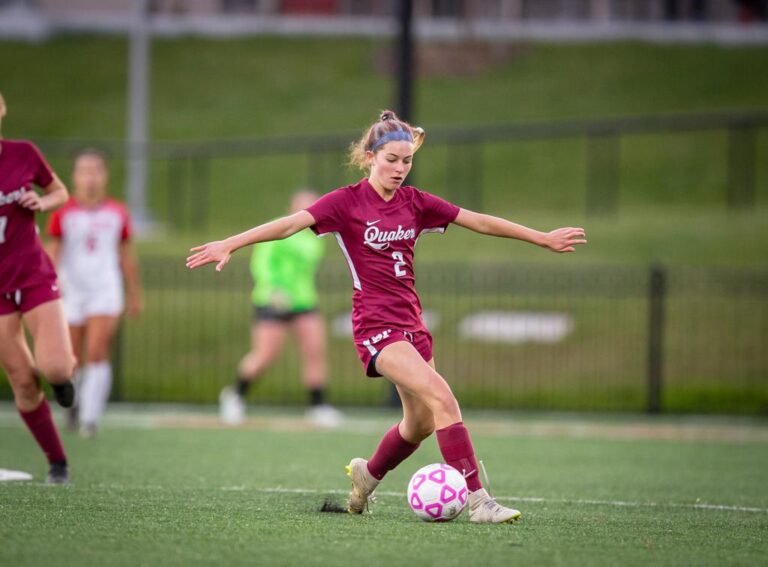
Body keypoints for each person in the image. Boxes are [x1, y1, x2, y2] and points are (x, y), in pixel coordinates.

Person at [187, 110, 587, 524]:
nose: (400, 169)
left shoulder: (416, 203)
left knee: (420, 424)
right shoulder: (345, 202)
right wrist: (230, 243)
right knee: (444, 397)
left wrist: (539, 237)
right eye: (392, 159)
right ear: (370, 156)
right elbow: (289, 224)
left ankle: (367, 474)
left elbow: (479, 221)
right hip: (377, 327)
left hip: (413, 325)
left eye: (407, 160)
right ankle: (479, 501)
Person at [0, 92, 76, 484]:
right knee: (24, 381)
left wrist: (43, 203)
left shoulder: (22, 153)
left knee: (55, 367)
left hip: (32, 275)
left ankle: (64, 382)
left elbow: (60, 192)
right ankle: (58, 463)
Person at [219, 190, 343, 427]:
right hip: (272, 299)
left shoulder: (315, 237)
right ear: (292, 208)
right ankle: (234, 395)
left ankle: (318, 407)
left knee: (315, 351)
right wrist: (274, 289)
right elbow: (262, 263)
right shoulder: (278, 229)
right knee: (265, 355)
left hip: (304, 301)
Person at [47, 149, 143, 438]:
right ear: (75, 177)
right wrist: (47, 289)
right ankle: (73, 406)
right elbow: (52, 254)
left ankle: (91, 417)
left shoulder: (117, 213)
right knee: (71, 356)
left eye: (96, 171)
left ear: (105, 176)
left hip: (105, 289)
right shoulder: (63, 213)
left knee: (98, 351)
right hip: (71, 290)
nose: (91, 178)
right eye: (84, 171)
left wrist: (135, 293)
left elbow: (126, 255)